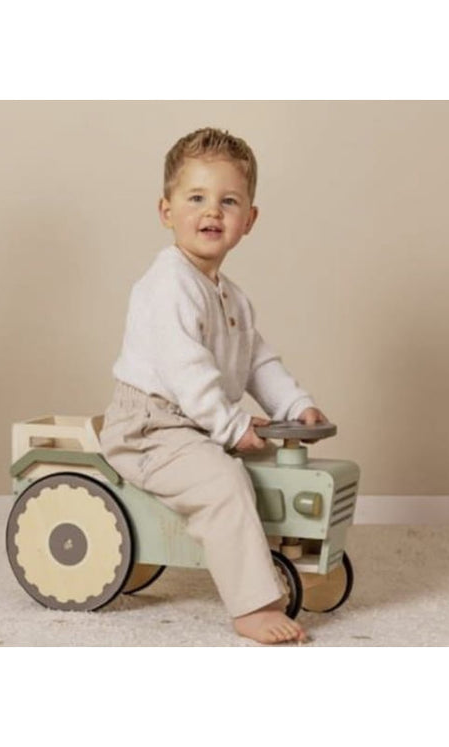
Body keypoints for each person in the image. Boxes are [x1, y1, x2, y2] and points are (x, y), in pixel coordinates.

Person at [100, 127, 327, 645]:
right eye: (196, 198)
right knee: (223, 482)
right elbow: (187, 371)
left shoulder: (232, 298)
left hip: (195, 420)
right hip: (151, 426)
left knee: (273, 473)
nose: (212, 212)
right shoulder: (167, 285)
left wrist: (296, 403)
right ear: (166, 211)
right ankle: (253, 605)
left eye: (228, 201)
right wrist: (229, 425)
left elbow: (257, 361)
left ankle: (295, 563)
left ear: (248, 221)